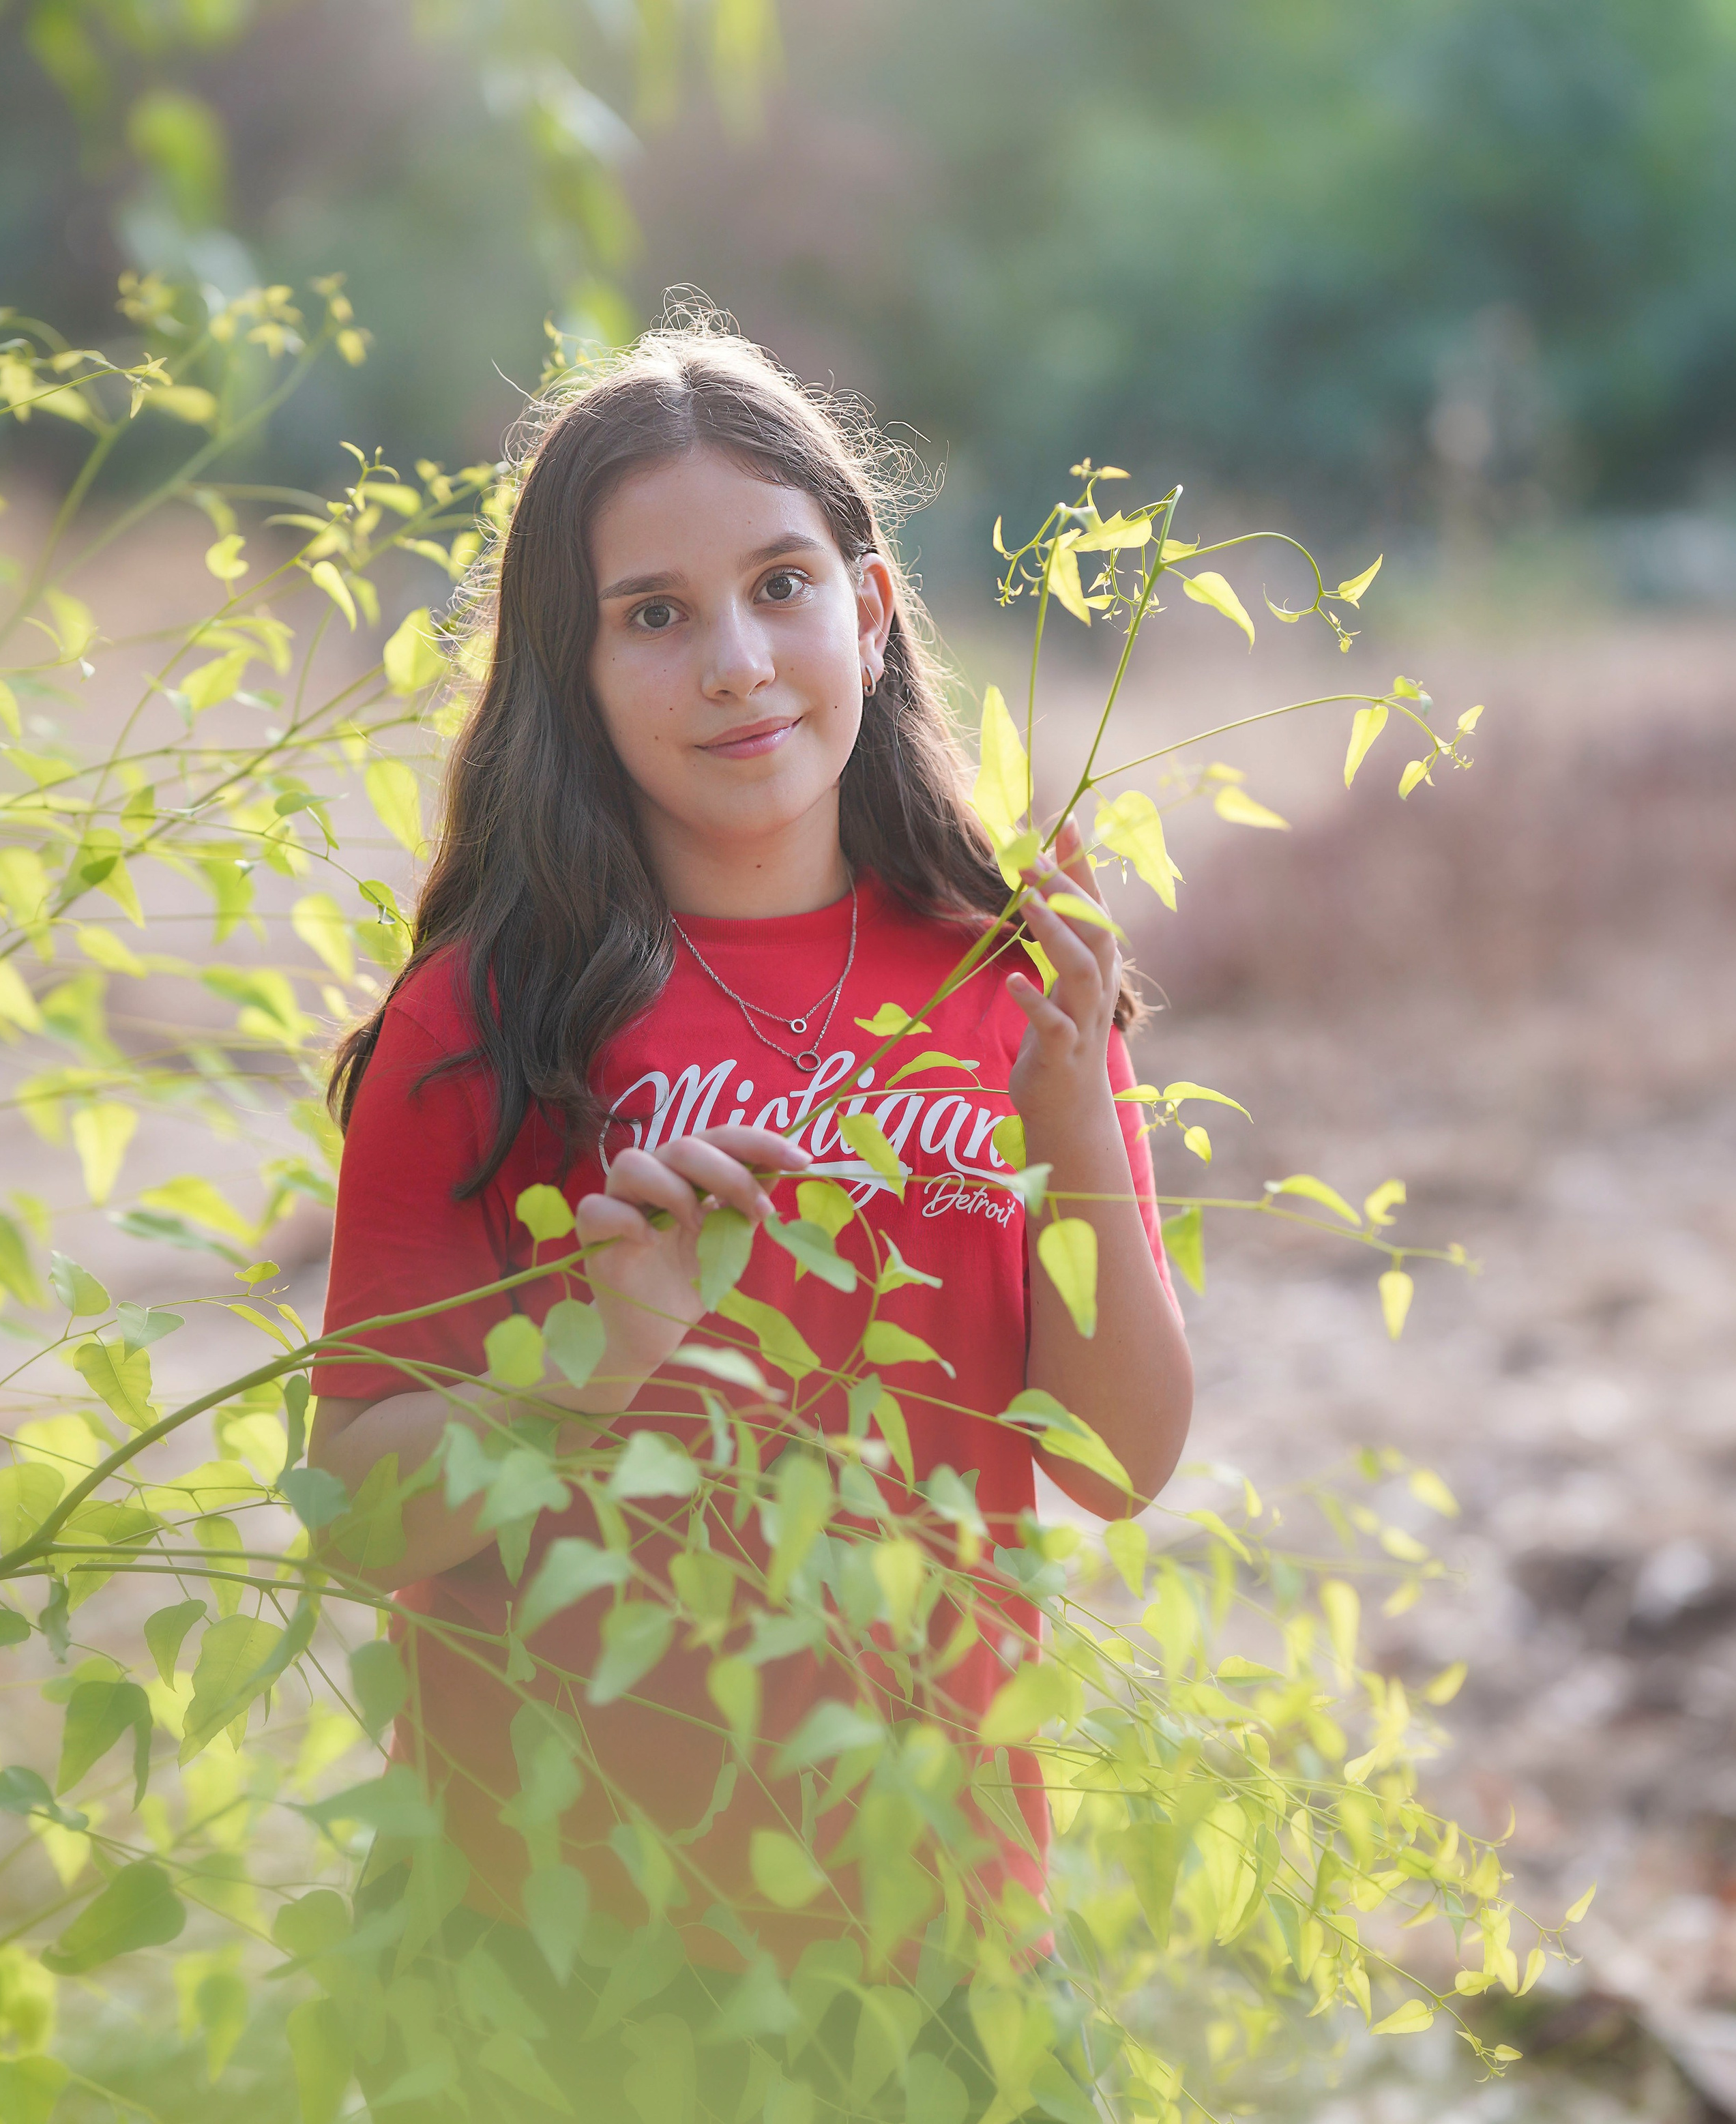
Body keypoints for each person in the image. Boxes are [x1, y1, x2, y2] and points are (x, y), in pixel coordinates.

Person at [308, 319, 1192, 2120]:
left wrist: (1067, 1101)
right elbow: (352, 1507)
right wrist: (593, 1359)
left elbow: (1118, 1455)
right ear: (575, 666)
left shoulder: (1008, 977)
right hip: (565, 1955)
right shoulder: (486, 1016)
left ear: (869, 607)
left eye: (780, 585)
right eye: (654, 613)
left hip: (940, 1927)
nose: (735, 662)